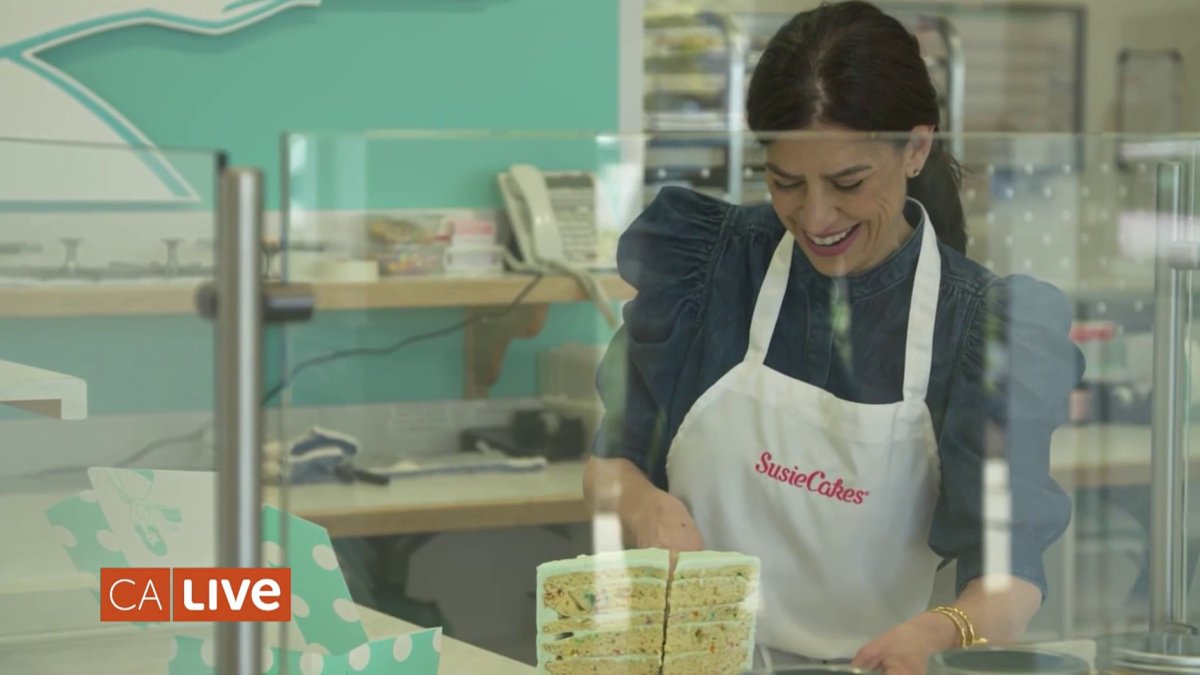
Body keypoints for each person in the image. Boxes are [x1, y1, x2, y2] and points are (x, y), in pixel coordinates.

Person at [583, 1, 1085, 673]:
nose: (815, 217)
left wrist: (940, 632)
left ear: (916, 146)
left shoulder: (976, 328)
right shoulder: (709, 269)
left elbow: (1010, 581)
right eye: (787, 183)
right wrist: (643, 507)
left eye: (847, 183)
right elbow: (610, 464)